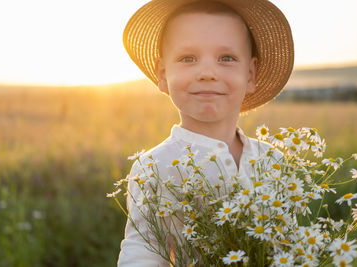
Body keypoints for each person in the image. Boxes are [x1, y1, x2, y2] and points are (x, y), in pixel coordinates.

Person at [118, 0, 294, 265]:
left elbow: (289, 245)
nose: (208, 73)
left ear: (250, 74)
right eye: (188, 59)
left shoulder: (274, 161)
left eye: (227, 58)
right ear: (163, 74)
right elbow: (142, 251)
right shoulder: (153, 167)